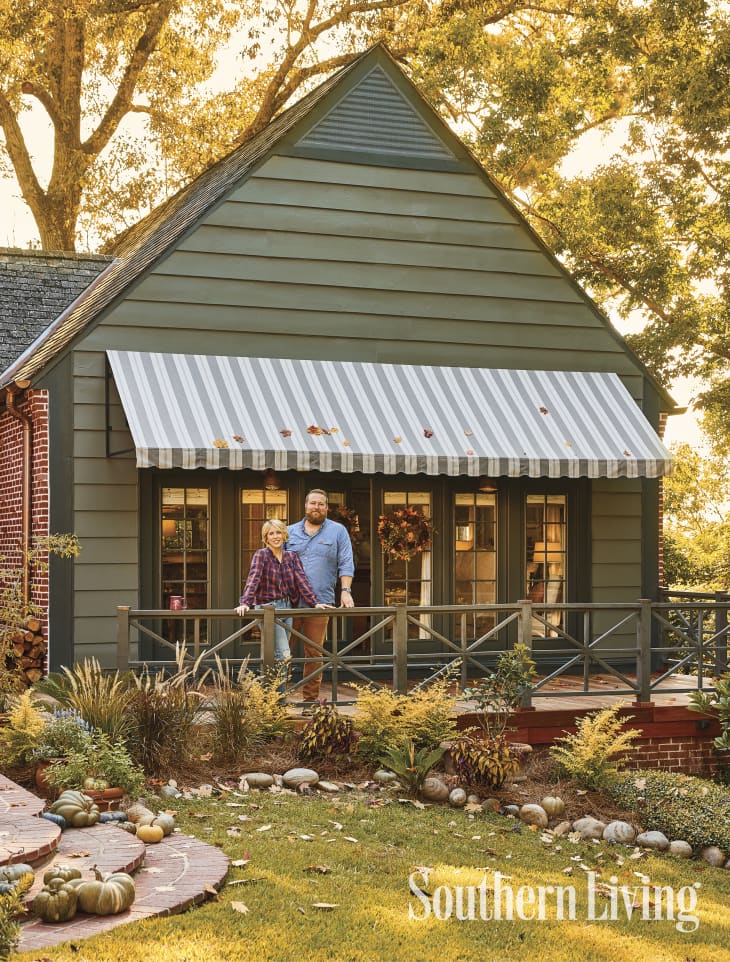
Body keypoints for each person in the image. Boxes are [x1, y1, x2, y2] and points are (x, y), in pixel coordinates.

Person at [235, 518, 327, 693]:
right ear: (266, 537)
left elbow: (302, 582)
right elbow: (253, 580)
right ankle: (279, 701)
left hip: (286, 608)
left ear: (284, 534)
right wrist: (245, 602)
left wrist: (314, 603)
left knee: (278, 656)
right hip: (267, 609)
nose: (275, 536)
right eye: (271, 533)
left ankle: (270, 698)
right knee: (283, 655)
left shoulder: (291, 557)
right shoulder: (261, 555)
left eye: (278, 532)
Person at [286, 489, 355, 703]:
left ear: (327, 507)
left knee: (314, 654)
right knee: (281, 654)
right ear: (305, 506)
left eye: (321, 504)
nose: (316, 507)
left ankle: (309, 701)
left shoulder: (338, 532)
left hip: (320, 604)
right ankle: (274, 701)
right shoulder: (288, 532)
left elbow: (346, 562)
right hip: (288, 603)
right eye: (313, 503)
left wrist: (345, 591)